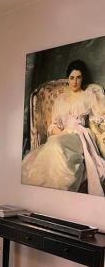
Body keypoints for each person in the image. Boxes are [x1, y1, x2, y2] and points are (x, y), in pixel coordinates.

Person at [22, 59, 105, 196]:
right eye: (72, 78)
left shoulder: (88, 95)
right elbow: (54, 124)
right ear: (68, 79)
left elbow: (100, 114)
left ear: (82, 78)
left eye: (78, 77)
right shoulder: (60, 99)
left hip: (80, 135)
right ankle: (48, 189)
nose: (75, 81)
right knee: (54, 144)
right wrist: (60, 133)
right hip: (63, 134)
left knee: (58, 144)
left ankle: (62, 189)